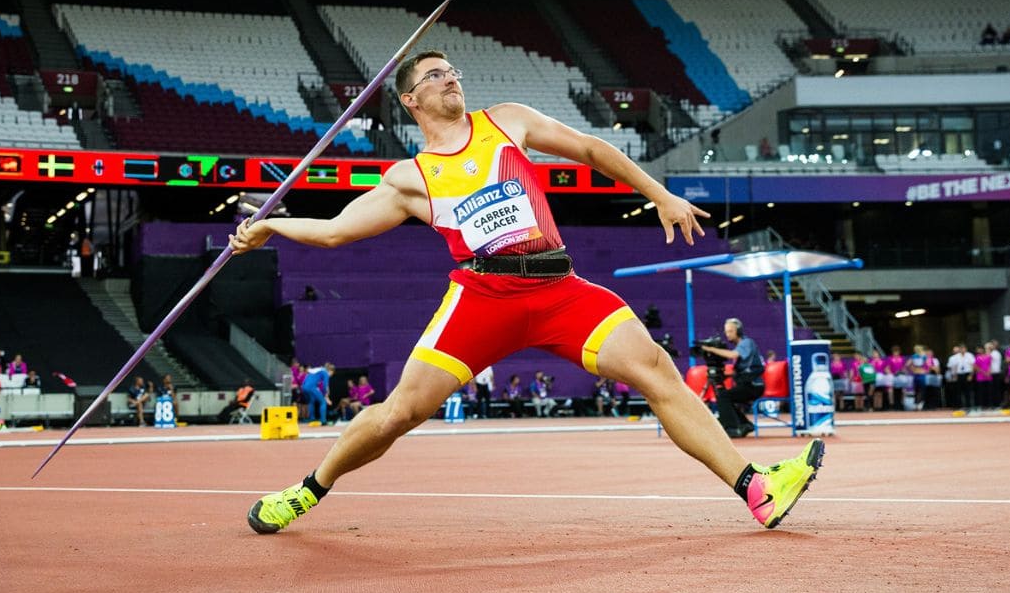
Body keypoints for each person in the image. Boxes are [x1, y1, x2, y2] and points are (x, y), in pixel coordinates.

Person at [233, 49, 824, 535]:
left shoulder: (505, 122)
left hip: (559, 289)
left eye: (452, 71)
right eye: (434, 75)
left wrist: (660, 193)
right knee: (398, 415)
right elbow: (336, 232)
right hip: (482, 301)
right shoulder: (410, 178)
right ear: (411, 100)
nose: (450, 78)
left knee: (657, 370)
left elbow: (593, 150)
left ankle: (757, 488)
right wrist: (270, 225)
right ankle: (308, 490)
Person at [696, 317, 765, 436]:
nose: (728, 334)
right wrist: (726, 376)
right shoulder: (741, 345)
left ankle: (732, 428)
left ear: (738, 331)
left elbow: (733, 355)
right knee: (726, 399)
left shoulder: (746, 343)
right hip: (747, 384)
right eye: (726, 331)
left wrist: (711, 349)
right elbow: (740, 371)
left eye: (731, 331)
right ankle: (744, 424)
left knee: (723, 397)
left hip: (754, 386)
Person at [948, 344, 976, 410]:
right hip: (959, 374)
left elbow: (973, 365)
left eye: (964, 348)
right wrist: (954, 375)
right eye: (961, 349)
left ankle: (968, 406)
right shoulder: (956, 357)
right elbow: (954, 367)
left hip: (967, 374)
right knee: (958, 391)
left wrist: (971, 375)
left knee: (968, 391)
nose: (962, 350)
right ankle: (958, 406)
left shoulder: (970, 355)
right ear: (959, 349)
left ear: (966, 349)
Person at [973, 345, 993, 410]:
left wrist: (988, 372)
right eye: (978, 349)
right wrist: (983, 372)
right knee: (981, 392)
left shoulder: (988, 356)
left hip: (988, 376)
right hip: (980, 377)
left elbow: (990, 365)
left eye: (980, 349)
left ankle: (989, 405)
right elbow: (975, 367)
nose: (979, 351)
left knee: (989, 392)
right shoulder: (977, 357)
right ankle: (982, 405)